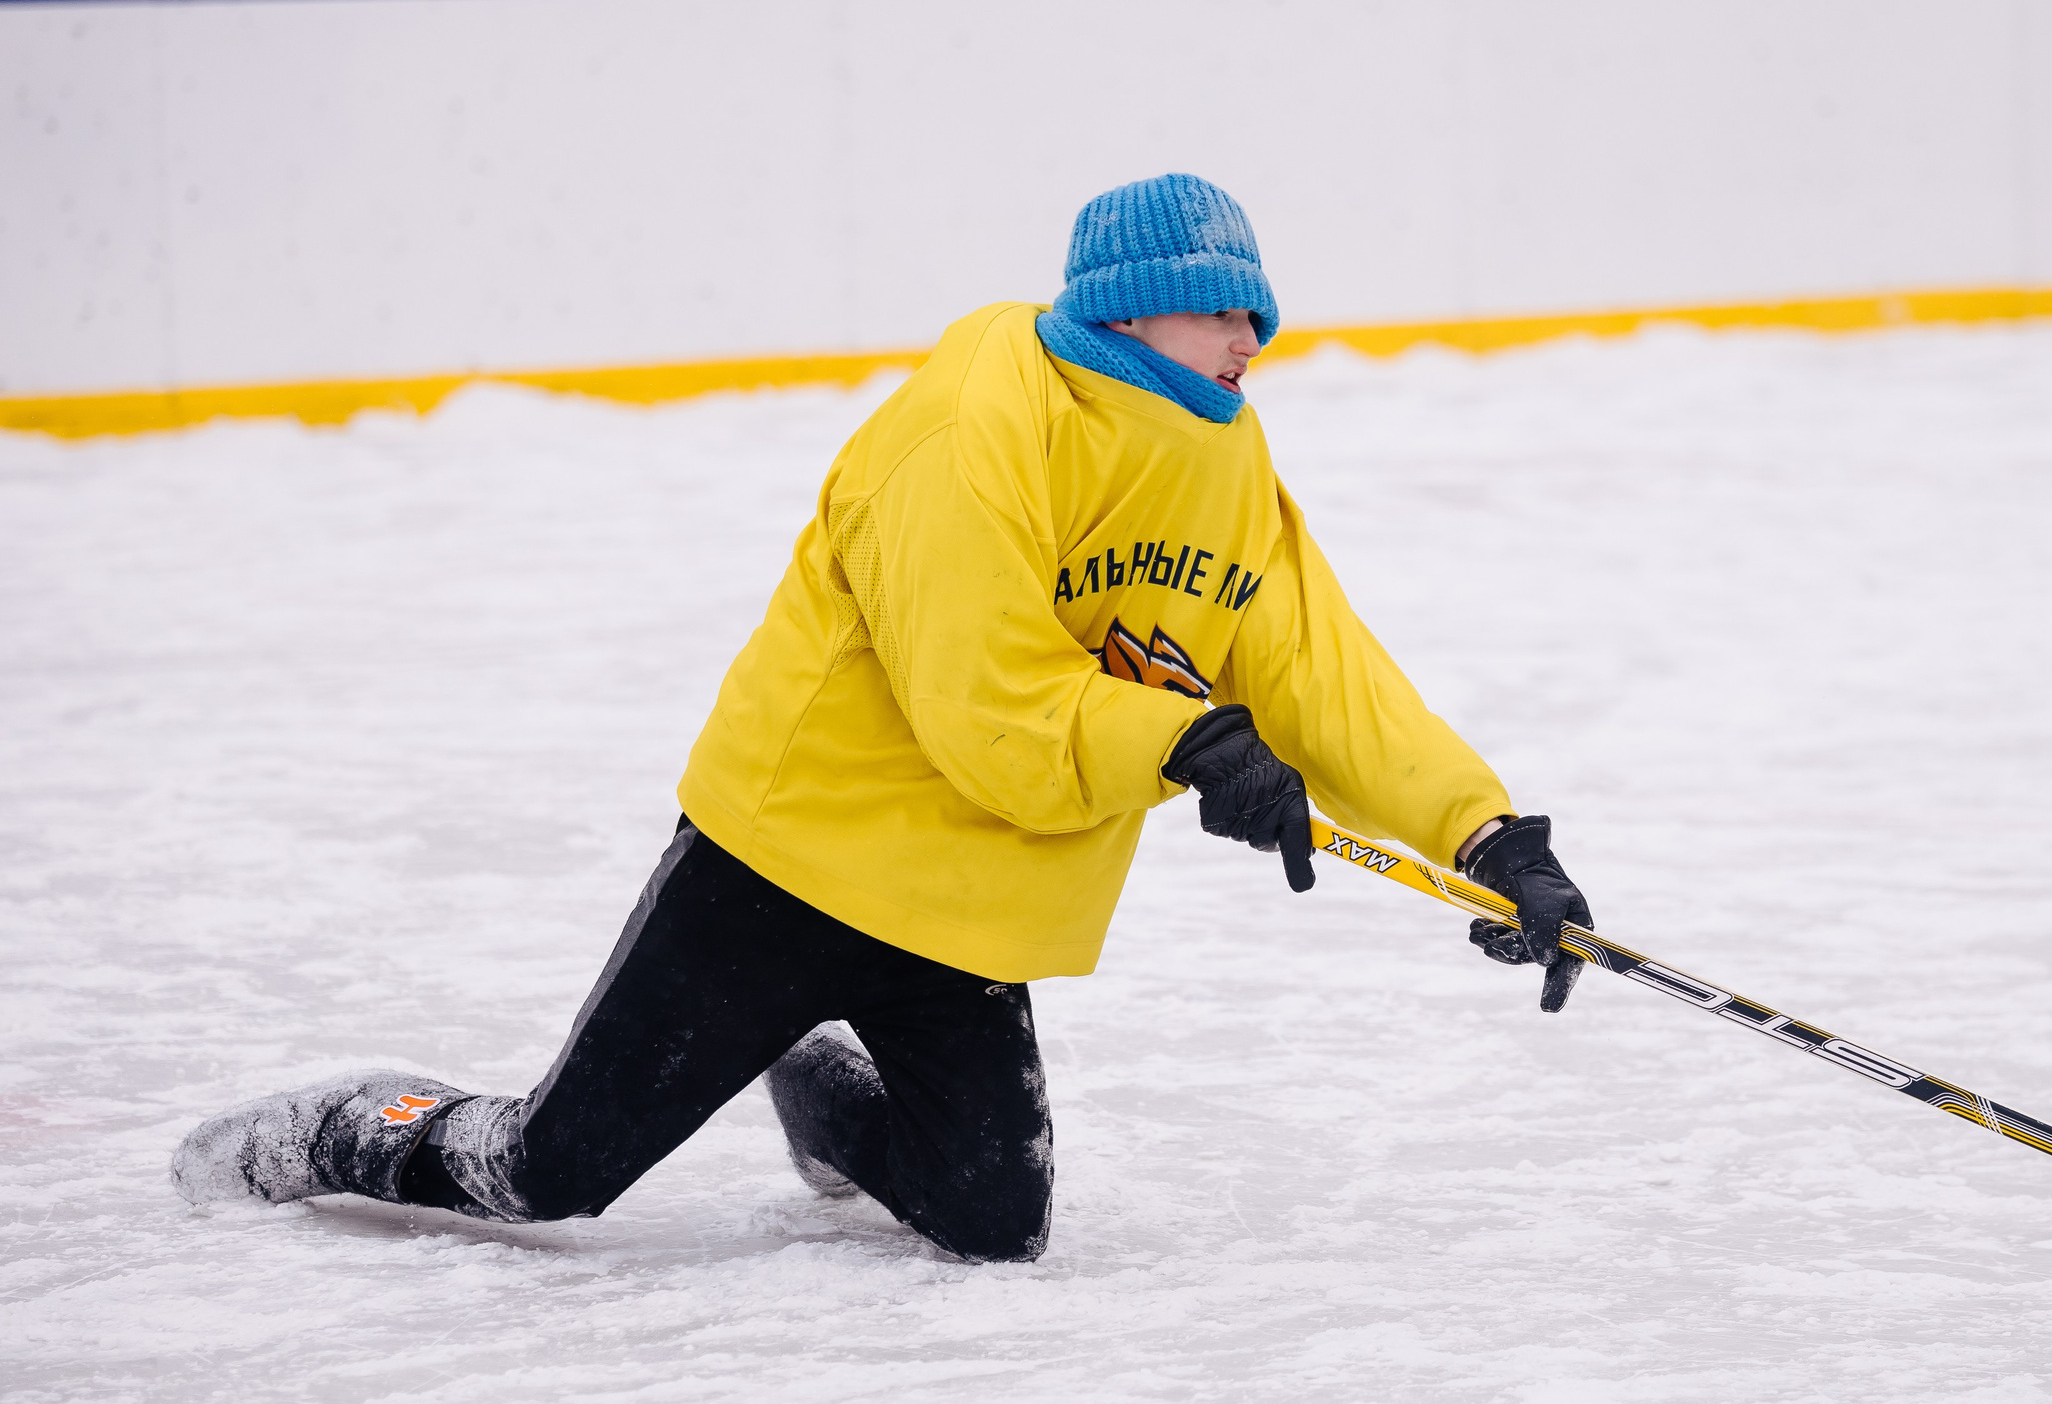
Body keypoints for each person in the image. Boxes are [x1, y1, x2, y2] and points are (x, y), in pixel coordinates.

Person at [171, 174, 1594, 1260]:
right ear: (1126, 309)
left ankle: (810, 1074)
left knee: (992, 1223)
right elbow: (982, 702)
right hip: (789, 860)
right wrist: (1180, 742)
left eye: (1256, 315)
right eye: (1221, 308)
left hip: (963, 902)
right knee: (553, 1175)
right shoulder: (972, 424)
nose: (1250, 337)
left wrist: (1489, 837)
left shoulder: (1222, 456)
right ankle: (332, 1132)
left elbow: (1326, 673)